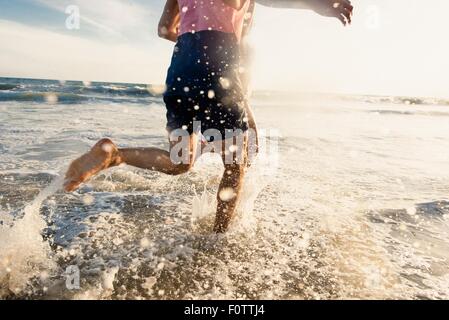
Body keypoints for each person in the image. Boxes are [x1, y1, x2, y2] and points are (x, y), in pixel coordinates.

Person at [64, 0, 254, 233]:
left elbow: (164, 29)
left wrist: (191, 42)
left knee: (180, 161)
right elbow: (238, 23)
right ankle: (218, 237)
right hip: (217, 66)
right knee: (235, 164)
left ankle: (115, 155)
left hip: (181, 68)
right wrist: (244, 100)